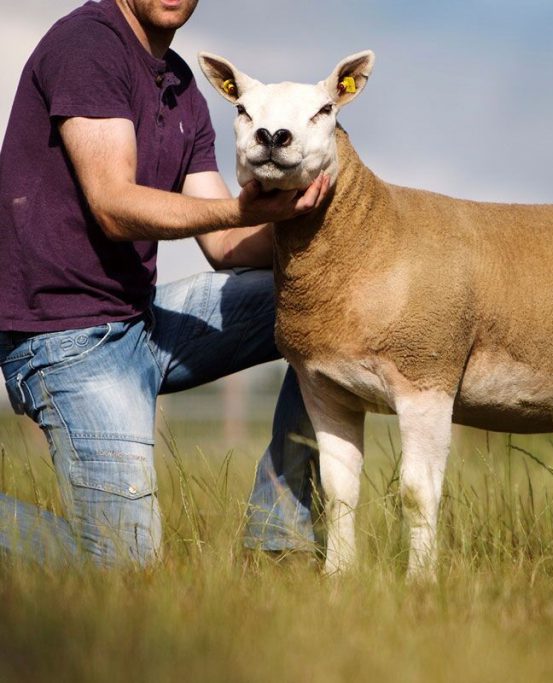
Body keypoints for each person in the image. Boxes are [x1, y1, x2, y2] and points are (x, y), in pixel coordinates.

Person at [0, 0, 322, 566]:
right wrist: (246, 213)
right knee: (126, 567)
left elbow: (224, 247)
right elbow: (114, 206)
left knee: (329, 306)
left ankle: (279, 544)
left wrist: (327, 222)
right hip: (65, 342)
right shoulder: (87, 47)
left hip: (138, 321)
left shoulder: (180, 87)